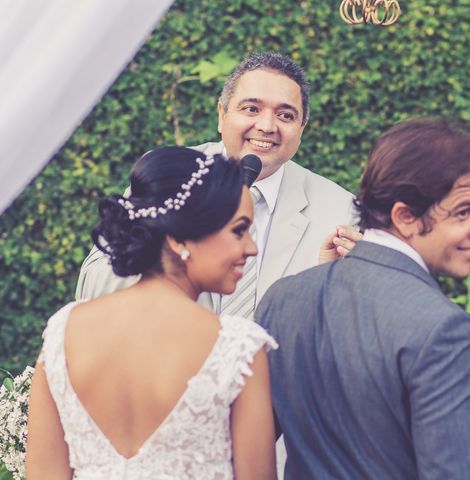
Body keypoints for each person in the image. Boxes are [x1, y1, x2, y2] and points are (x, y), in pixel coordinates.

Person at [256, 117, 470, 479]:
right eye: (464, 212)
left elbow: (251, 446)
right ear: (405, 216)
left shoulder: (284, 297)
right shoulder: (442, 327)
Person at [26, 147, 277, 479]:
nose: (251, 247)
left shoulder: (64, 332)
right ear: (178, 238)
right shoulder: (238, 347)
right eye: (238, 230)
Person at [75, 51, 361, 316]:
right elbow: (93, 288)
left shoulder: (339, 210)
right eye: (251, 109)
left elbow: (346, 323)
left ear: (301, 129)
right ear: (222, 115)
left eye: (285, 115)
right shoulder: (171, 175)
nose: (267, 126)